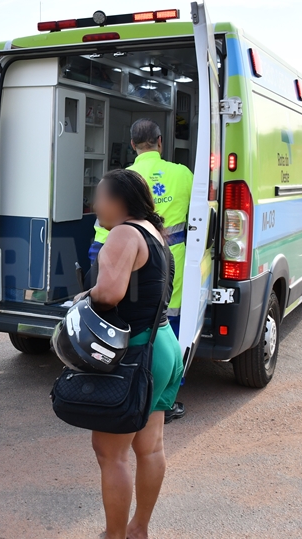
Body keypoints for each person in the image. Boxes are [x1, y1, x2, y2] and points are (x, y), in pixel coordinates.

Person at [82, 169, 183, 539]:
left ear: (119, 200)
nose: (95, 204)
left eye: (100, 196)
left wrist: (82, 298)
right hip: (164, 346)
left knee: (111, 453)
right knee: (149, 446)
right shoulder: (154, 232)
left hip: (137, 353)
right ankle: (138, 528)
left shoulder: (124, 233)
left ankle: (115, 536)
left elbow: (108, 293)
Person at [89, 119, 191, 422]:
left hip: (123, 258)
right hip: (170, 255)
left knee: (126, 325)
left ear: (133, 144)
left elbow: (102, 239)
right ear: (160, 141)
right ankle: (168, 388)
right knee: (167, 320)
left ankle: (128, 385)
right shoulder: (183, 174)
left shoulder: (121, 181)